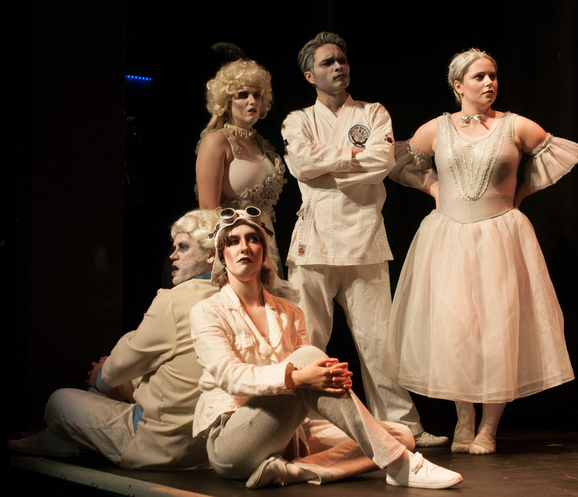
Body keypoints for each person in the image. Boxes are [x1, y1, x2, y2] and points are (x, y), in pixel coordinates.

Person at [387, 48, 578, 455]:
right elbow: (400, 162)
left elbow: (549, 160)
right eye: (479, 77)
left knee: (498, 329)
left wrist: (516, 197)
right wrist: (433, 188)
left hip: (499, 237)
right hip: (449, 239)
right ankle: (464, 418)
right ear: (458, 85)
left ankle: (489, 427)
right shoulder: (437, 128)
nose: (489, 82)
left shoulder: (515, 125)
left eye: (493, 75)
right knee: (455, 329)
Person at [189, 207, 463, 489]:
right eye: (233, 242)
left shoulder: (290, 312)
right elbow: (230, 376)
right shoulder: (207, 312)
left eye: (253, 239)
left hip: (290, 438)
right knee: (309, 358)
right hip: (233, 444)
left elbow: (310, 380)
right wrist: (298, 377)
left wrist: (329, 378)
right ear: (222, 255)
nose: (244, 247)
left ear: (264, 251)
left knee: (400, 435)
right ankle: (400, 465)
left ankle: (294, 471)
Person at [279, 32, 446, 448]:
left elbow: (381, 160)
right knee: (306, 341)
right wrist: (351, 156)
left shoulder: (373, 112)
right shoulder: (297, 120)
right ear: (309, 75)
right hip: (313, 241)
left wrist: (330, 162)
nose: (338, 66)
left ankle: (404, 426)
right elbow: (301, 163)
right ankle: (297, 429)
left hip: (365, 236)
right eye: (327, 62)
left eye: (342, 59)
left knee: (379, 342)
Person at [8, 209, 220, 470]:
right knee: (127, 373)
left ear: (211, 255)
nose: (173, 255)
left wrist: (100, 374)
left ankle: (57, 437)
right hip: (206, 452)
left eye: (183, 247)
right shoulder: (231, 297)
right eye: (174, 247)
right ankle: (58, 439)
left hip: (160, 448)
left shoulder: (173, 300)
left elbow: (115, 371)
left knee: (59, 400)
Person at [195, 56, 287, 277]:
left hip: (266, 244)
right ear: (227, 102)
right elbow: (208, 211)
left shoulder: (261, 144)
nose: (252, 101)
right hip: (234, 246)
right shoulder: (216, 142)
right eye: (243, 95)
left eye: (257, 95)